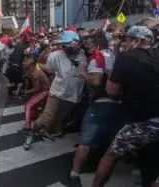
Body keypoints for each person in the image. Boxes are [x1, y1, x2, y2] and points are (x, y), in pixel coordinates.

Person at [92, 26, 159, 187]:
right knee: (150, 161)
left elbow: (111, 90)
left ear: (138, 41)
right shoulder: (155, 55)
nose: (125, 43)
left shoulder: (127, 57)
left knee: (111, 154)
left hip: (144, 122)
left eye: (127, 39)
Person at [69, 31, 132, 187]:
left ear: (97, 45)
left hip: (101, 104)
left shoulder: (98, 58)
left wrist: (83, 73)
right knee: (115, 145)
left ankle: (74, 174)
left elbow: (96, 82)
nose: (87, 46)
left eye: (89, 43)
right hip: (122, 106)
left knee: (85, 141)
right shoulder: (123, 57)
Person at [33, 30, 86, 141]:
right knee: (47, 116)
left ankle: (54, 130)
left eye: (66, 44)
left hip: (74, 94)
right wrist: (41, 66)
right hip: (57, 91)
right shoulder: (55, 56)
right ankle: (34, 130)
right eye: (63, 44)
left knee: (61, 115)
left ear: (75, 43)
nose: (64, 46)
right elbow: (51, 71)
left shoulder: (83, 54)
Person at [18, 57, 50, 134]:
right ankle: (35, 122)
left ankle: (27, 127)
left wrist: (26, 92)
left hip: (45, 92)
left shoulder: (35, 73)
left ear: (31, 65)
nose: (23, 63)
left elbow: (37, 88)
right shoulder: (33, 71)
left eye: (26, 62)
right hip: (44, 91)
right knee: (34, 105)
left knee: (28, 105)